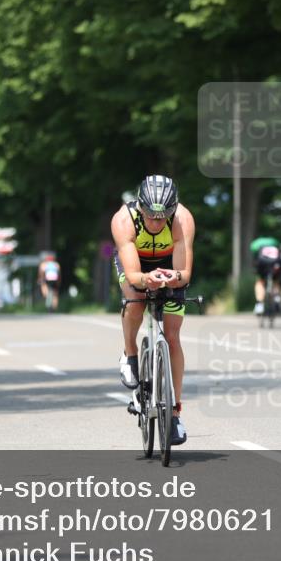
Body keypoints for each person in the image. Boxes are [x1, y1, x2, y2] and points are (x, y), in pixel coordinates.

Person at [111, 175, 195, 446]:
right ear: (140, 207)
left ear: (173, 209)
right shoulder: (123, 220)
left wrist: (174, 277)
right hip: (137, 264)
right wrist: (146, 279)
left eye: (163, 217)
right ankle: (130, 353)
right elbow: (133, 275)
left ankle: (175, 413)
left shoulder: (183, 219)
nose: (157, 223)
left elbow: (184, 273)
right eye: (150, 216)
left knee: (172, 337)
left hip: (169, 264)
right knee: (135, 299)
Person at [249, 236, 281, 315]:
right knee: (276, 281)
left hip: (263, 264)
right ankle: (277, 297)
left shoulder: (255, 244)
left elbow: (255, 257)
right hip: (276, 263)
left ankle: (259, 305)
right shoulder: (274, 241)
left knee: (260, 282)